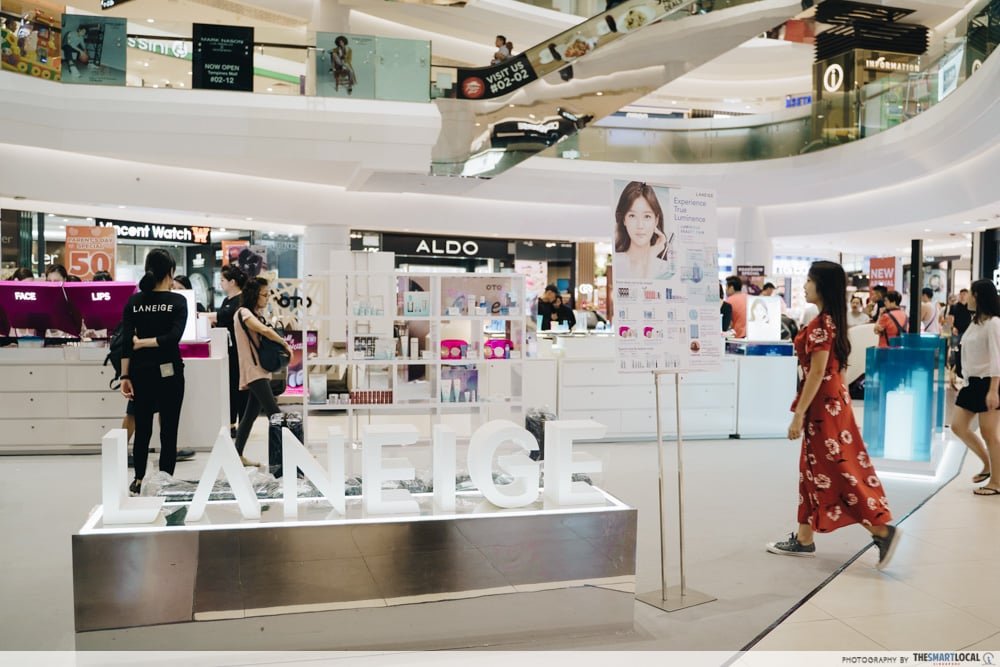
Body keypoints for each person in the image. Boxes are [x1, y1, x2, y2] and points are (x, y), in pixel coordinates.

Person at [767, 261, 900, 569]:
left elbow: (816, 373)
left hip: (822, 407)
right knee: (813, 468)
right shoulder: (831, 321)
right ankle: (804, 538)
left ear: (822, 286)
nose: (804, 286)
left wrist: (798, 414)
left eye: (809, 280)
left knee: (837, 471)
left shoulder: (822, 325)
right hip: (832, 403)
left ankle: (881, 530)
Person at [119, 249, 187, 496]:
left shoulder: (134, 302)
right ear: (170, 272)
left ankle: (138, 480)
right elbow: (173, 338)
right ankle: (165, 481)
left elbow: (127, 343)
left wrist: (125, 376)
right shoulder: (178, 302)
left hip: (140, 373)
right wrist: (147, 343)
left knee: (143, 429)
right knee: (169, 430)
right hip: (170, 373)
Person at [232, 277, 293, 466]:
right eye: (265, 294)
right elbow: (264, 331)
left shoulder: (253, 313)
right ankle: (295, 453)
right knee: (275, 414)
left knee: (250, 416)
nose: (267, 298)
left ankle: (237, 455)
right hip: (254, 371)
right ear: (254, 294)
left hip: (258, 370)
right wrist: (285, 344)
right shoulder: (243, 313)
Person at [949, 280, 1000, 494]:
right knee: (958, 426)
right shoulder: (976, 322)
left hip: (988, 382)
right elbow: (967, 350)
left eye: (970, 293)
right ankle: (987, 464)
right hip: (972, 383)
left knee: (989, 433)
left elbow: (997, 358)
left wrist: (993, 390)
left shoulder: (993, 323)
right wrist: (956, 370)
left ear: (978, 296)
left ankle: (996, 482)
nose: (967, 297)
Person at [209, 265, 249, 439]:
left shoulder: (241, 301)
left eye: (223, 280)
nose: (220, 283)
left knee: (239, 389)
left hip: (239, 351)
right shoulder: (227, 300)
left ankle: (242, 423)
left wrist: (203, 315)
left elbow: (221, 317)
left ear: (232, 282)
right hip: (227, 351)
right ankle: (231, 422)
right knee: (230, 388)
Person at [613, 181, 674, 280]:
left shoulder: (666, 269)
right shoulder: (616, 263)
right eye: (632, 216)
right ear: (624, 220)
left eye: (647, 216)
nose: (640, 225)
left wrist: (651, 257)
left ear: (656, 220)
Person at [947, 288, 973, 385]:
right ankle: (952, 371)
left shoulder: (970, 307)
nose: (963, 296)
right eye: (961, 294)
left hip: (967, 332)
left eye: (965, 294)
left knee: (966, 351)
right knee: (954, 350)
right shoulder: (954, 307)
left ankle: (962, 371)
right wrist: (952, 327)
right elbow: (950, 318)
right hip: (957, 331)